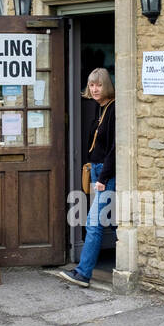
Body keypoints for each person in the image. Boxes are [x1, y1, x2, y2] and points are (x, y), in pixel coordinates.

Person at [57, 68, 115, 288]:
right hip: (97, 170)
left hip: (105, 174)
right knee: (115, 221)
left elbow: (113, 148)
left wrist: (103, 177)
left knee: (94, 223)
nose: (94, 89)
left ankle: (83, 274)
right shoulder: (99, 109)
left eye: (99, 85)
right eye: (91, 85)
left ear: (106, 86)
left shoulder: (113, 109)